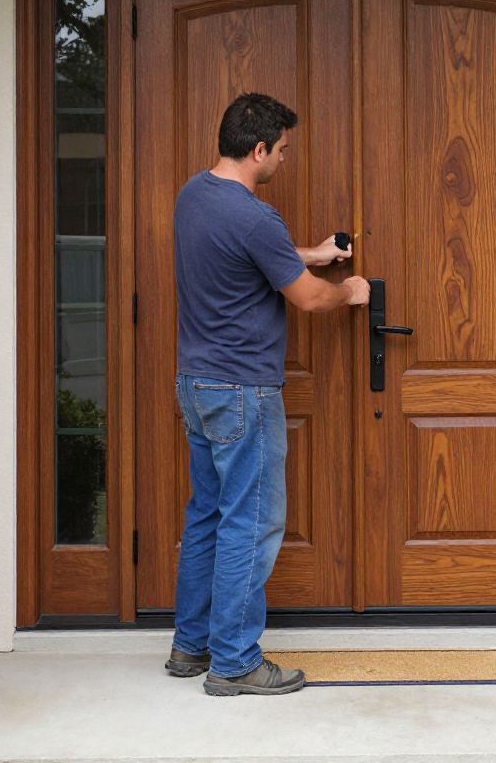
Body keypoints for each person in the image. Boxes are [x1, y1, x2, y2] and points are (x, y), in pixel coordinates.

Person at [166, 92, 370, 696]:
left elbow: (249, 258)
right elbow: (307, 297)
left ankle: (191, 647)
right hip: (243, 391)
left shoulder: (193, 196)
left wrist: (311, 253)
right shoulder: (256, 217)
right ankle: (234, 662)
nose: (284, 158)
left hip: (198, 385)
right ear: (258, 149)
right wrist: (350, 289)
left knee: (206, 515)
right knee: (249, 524)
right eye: (281, 150)